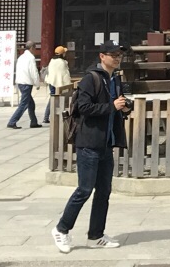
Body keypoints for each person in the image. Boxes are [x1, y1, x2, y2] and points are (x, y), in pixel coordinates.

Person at [52, 40, 128, 253]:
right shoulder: (90, 79)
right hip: (89, 143)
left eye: (119, 54)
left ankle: (96, 235)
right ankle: (61, 229)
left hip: (106, 142)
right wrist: (111, 106)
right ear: (102, 56)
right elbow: (83, 107)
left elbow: (114, 105)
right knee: (84, 189)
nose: (117, 57)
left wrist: (122, 107)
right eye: (113, 54)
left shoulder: (115, 79)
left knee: (104, 191)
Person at [7, 43, 43, 129]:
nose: (35, 50)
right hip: (26, 83)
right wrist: (37, 83)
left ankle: (33, 122)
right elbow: (33, 71)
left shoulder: (21, 57)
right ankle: (12, 121)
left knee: (31, 104)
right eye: (34, 48)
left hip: (20, 82)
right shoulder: (31, 58)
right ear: (31, 48)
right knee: (24, 104)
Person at [43, 46, 72, 125]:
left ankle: (46, 117)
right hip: (59, 84)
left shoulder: (52, 60)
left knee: (52, 99)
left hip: (51, 82)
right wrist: (69, 85)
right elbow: (65, 75)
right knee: (61, 99)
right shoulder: (62, 62)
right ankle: (59, 115)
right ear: (62, 53)